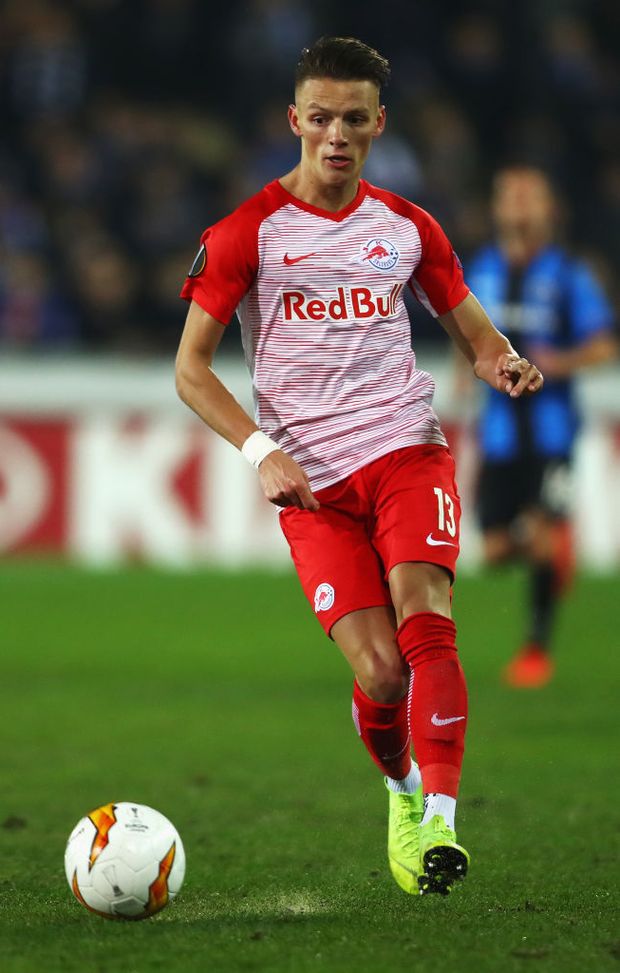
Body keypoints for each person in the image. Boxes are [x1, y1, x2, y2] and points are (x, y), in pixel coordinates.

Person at [175, 37, 543, 896]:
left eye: (354, 119)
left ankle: (445, 825)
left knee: (428, 617)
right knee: (379, 672)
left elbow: (475, 332)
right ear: (293, 120)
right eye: (322, 117)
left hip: (405, 450)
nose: (336, 134)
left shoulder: (408, 228)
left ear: (378, 124)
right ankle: (403, 790)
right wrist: (261, 450)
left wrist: (505, 361)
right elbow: (191, 369)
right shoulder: (246, 233)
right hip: (311, 484)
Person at [467, 166, 616, 689]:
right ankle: (554, 550)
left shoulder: (569, 274)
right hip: (499, 434)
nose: (520, 206)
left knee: (545, 538)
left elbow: (603, 344)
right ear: (497, 208)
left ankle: (535, 649)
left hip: (552, 433)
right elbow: (464, 333)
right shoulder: (480, 271)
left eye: (530, 196)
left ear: (550, 209)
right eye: (510, 196)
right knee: (494, 550)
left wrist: (563, 362)